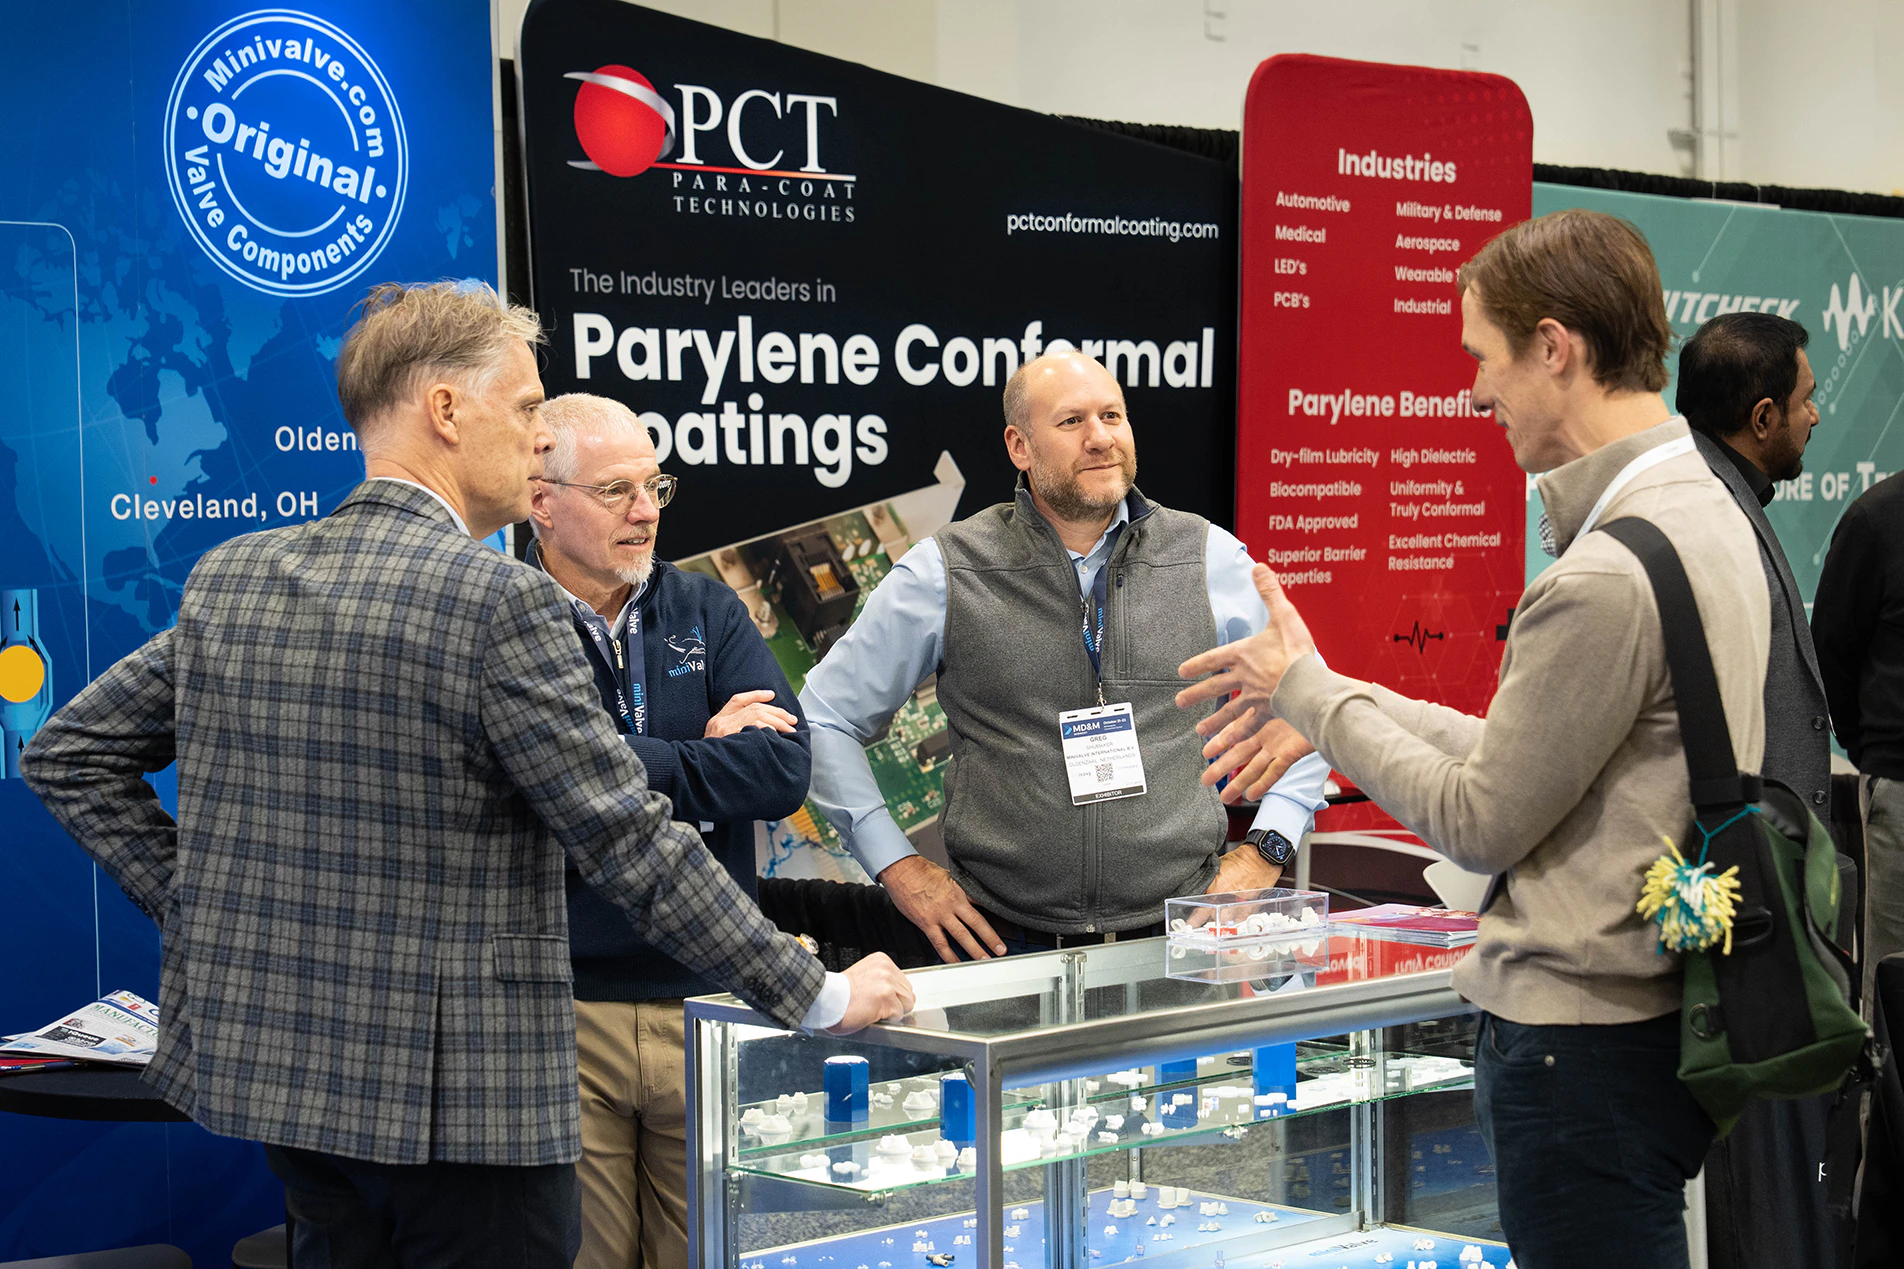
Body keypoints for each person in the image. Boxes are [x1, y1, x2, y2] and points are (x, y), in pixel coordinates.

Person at [20, 282, 912, 1269]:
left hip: (289, 1090)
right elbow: (625, 839)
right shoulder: (495, 601)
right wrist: (816, 995)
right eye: (527, 406)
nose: (537, 438)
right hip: (465, 1113)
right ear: (445, 409)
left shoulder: (234, 575)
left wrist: (204, 909)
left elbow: (70, 755)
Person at [1178, 210, 1767, 1268]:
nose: (1472, 392)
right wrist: (1328, 694)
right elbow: (1525, 750)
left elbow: (1481, 817)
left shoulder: (1600, 573)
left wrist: (1310, 694)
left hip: (1580, 1051)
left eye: (1481, 358)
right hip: (1649, 1028)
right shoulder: (1707, 509)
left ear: (1555, 347)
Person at [802, 349, 1330, 962]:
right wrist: (896, 866)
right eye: (1072, 422)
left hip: (1181, 939)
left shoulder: (1209, 557)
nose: (1101, 438)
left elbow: (1317, 706)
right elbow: (821, 719)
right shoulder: (948, 569)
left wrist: (1266, 850)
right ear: (1019, 446)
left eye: (1113, 416)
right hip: (1001, 948)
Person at [527, 392, 810, 1269]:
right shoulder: (507, 618)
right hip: (568, 1008)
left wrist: (620, 760)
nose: (646, 510)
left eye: (654, 486)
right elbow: (537, 784)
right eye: (617, 490)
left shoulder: (705, 609)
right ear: (541, 497)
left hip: (709, 996)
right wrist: (695, 752)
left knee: (709, 1255)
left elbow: (780, 772)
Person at [1676, 312, 1835, 1269]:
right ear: (1763, 414)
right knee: (1751, 1188)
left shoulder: (1731, 498)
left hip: (1767, 901)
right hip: (1742, 913)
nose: (1819, 416)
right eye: (1808, 400)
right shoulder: (1705, 515)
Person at [1815, 469, 1904, 1010]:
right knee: (1895, 982)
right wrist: (1870, 749)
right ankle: (1885, 1100)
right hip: (1900, 787)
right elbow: (1831, 650)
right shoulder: (1877, 520)